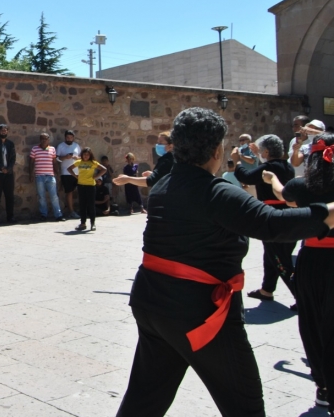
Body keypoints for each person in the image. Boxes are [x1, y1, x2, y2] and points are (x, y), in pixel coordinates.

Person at [115, 107, 334, 417]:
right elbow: (273, 225)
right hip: (201, 313)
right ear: (217, 150)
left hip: (152, 304)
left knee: (145, 398)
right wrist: (329, 213)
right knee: (244, 406)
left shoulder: (165, 185)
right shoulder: (215, 192)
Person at [264, 133, 334, 410]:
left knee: (314, 323)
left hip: (315, 261)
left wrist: (272, 180)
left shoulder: (303, 187)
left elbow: (284, 195)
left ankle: (324, 385)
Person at [232, 134, 296, 304]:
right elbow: (262, 171)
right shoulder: (285, 166)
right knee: (271, 255)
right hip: (287, 215)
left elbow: (246, 176)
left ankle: (302, 297)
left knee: (281, 260)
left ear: (266, 152)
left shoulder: (270, 168)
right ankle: (267, 290)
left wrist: (237, 161)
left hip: (274, 216)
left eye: (261, 151)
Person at [67, 148, 106, 231]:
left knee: (91, 205)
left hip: (91, 186)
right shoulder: (79, 162)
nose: (86, 156)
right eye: (84, 154)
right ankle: (83, 223)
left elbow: (104, 169)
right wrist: (75, 176)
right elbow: (69, 169)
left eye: (87, 155)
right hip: (81, 185)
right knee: (82, 205)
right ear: (82, 155)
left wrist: (96, 177)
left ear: (90, 155)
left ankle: (93, 223)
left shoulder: (93, 163)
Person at [30, 132, 64, 222]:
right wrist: (31, 174)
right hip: (39, 176)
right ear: (40, 140)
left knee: (54, 196)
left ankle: (58, 215)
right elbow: (31, 162)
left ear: (48, 139)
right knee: (41, 197)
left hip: (50, 176)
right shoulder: (35, 149)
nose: (44, 140)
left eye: (45, 138)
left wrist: (58, 173)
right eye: (42, 138)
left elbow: (55, 162)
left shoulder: (52, 149)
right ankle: (43, 214)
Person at [56, 130, 81, 219]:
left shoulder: (76, 146)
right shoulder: (61, 146)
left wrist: (75, 157)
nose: (69, 139)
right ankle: (71, 211)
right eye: (67, 137)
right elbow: (57, 159)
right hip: (66, 173)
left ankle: (81, 210)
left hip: (77, 172)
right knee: (69, 192)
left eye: (71, 137)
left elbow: (81, 158)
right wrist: (65, 157)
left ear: (73, 138)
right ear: (65, 137)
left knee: (80, 191)